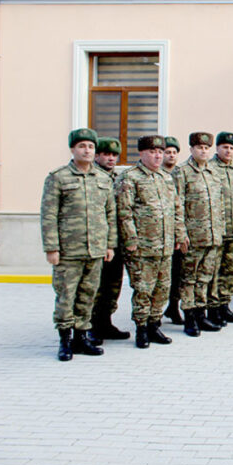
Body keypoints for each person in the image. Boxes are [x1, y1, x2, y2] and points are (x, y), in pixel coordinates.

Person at [41, 128, 117, 361]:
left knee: (88, 295)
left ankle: (81, 337)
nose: (87, 150)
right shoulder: (58, 177)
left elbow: (110, 214)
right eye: (82, 146)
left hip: (95, 249)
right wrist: (51, 248)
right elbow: (48, 215)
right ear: (73, 149)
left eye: (90, 147)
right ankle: (65, 340)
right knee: (66, 295)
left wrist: (109, 245)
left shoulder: (103, 178)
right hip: (68, 251)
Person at [116, 135, 186, 349]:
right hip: (142, 247)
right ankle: (142, 328)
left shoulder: (166, 177)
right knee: (143, 289)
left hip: (165, 245)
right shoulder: (130, 178)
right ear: (142, 153)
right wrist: (131, 240)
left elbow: (176, 208)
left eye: (160, 152)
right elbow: (124, 212)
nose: (157, 156)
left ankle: (155, 324)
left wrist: (179, 235)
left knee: (162, 288)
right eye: (152, 152)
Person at [173, 132, 225, 336]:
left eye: (206, 147)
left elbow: (219, 205)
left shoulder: (213, 172)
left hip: (212, 236)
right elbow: (178, 206)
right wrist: (180, 234)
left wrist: (219, 231)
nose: (203, 151)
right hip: (192, 237)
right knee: (189, 278)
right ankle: (189, 317)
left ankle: (201, 314)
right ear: (192, 149)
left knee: (205, 277)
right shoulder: (182, 172)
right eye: (199, 147)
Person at [89, 137, 129, 341]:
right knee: (96, 285)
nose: (111, 158)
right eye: (106, 154)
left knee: (113, 285)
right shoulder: (91, 177)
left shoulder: (120, 178)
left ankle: (106, 322)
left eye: (114, 155)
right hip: (97, 242)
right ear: (97, 156)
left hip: (118, 242)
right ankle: (92, 326)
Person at [208, 132, 233, 327]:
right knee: (213, 271)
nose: (228, 150)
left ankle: (225, 305)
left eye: (231, 148)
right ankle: (212, 308)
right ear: (217, 148)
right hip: (216, 231)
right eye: (224, 147)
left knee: (230, 271)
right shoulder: (209, 169)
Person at [162, 136, 186, 325]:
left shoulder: (182, 173)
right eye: (167, 152)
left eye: (174, 152)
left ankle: (173, 306)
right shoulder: (156, 173)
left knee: (178, 272)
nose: (171, 155)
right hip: (160, 232)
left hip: (179, 231)